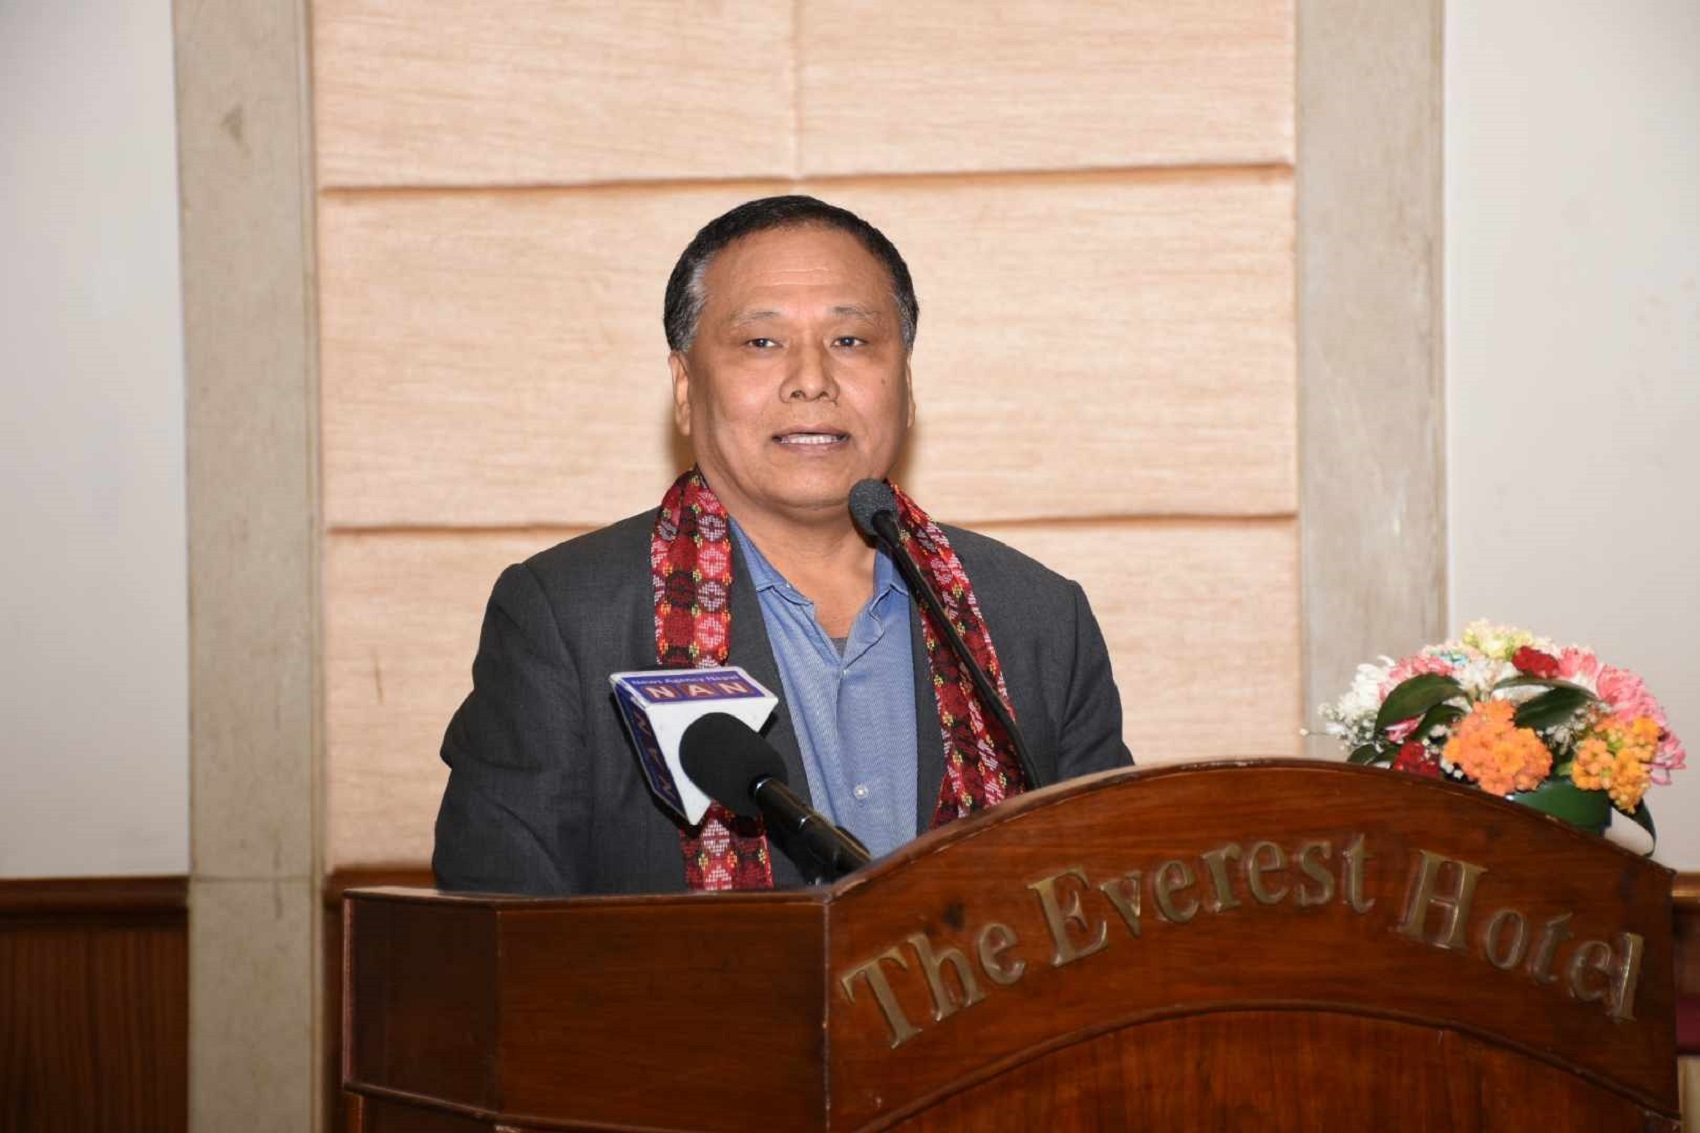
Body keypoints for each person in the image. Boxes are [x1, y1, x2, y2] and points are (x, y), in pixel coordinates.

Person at [433, 195, 1131, 895]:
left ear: (907, 384)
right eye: (761, 343)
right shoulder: (568, 620)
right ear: (685, 389)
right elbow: (494, 937)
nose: (811, 382)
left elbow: (1116, 905)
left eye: (850, 341)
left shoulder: (1036, 619)